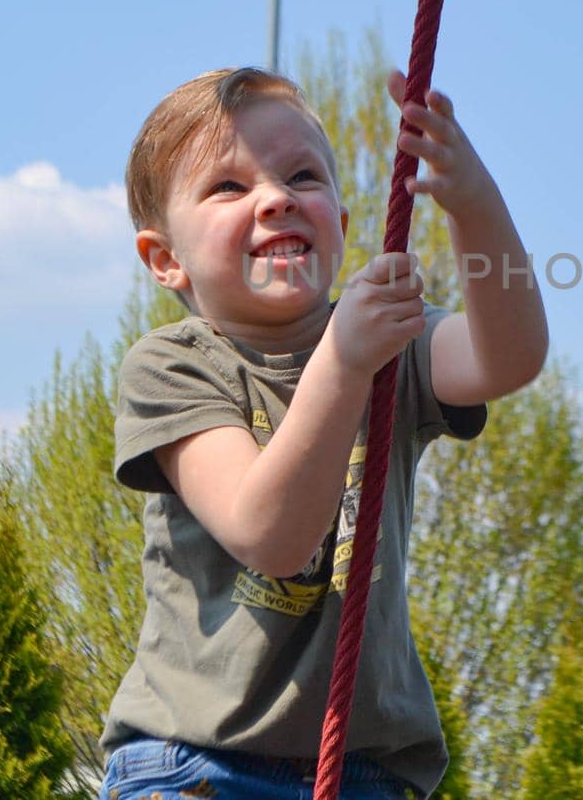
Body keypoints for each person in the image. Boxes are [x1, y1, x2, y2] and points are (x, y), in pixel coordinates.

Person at [98, 66, 547, 800]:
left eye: (301, 175)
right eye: (229, 187)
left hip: (365, 768)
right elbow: (271, 535)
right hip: (198, 764)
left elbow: (511, 355)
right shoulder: (172, 367)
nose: (275, 197)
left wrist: (473, 202)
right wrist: (344, 359)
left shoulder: (391, 343)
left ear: (338, 226)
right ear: (165, 258)